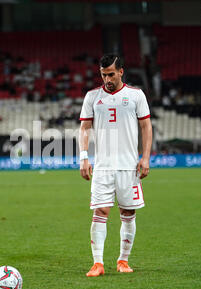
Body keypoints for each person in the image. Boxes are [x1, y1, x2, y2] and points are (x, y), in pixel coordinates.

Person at [79, 54, 152, 277]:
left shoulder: (136, 95)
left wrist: (146, 157)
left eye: (111, 74)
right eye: (103, 75)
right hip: (102, 166)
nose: (107, 79)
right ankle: (98, 263)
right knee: (100, 212)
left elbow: (146, 127)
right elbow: (84, 128)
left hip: (129, 166)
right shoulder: (92, 97)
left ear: (121, 72)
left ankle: (123, 260)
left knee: (128, 213)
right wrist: (83, 157)